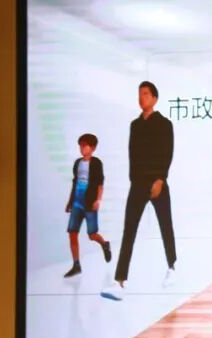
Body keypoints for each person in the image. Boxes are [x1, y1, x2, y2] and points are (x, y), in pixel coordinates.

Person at [102, 80, 176, 301]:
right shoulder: (135, 125)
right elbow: (132, 154)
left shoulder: (164, 124)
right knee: (129, 230)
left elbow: (167, 152)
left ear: (154, 98)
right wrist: (134, 180)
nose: (141, 98)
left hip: (157, 182)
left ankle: (172, 267)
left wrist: (161, 179)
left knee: (165, 225)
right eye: (139, 94)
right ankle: (119, 281)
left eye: (145, 94)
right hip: (138, 184)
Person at [62, 133, 112, 278]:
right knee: (72, 233)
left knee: (92, 234)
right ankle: (76, 264)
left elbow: (100, 183)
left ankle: (104, 244)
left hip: (89, 202)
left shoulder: (96, 163)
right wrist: (70, 202)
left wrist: (98, 200)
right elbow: (75, 182)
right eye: (81, 145)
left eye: (85, 145)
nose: (82, 148)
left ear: (93, 147)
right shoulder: (77, 163)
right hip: (77, 202)